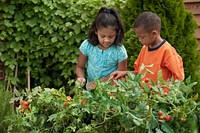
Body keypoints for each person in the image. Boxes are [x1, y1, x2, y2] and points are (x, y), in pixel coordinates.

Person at [111, 11, 184, 82]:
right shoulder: (145, 48)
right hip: (145, 94)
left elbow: (179, 76)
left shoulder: (167, 51)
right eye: (138, 37)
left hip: (161, 94)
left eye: (142, 37)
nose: (139, 40)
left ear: (154, 34)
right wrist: (124, 73)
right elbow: (139, 72)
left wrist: (166, 91)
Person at [76, 7, 128, 86]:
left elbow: (121, 76)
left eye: (111, 37)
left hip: (111, 91)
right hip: (90, 91)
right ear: (96, 31)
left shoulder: (119, 51)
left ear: (117, 33)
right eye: (102, 36)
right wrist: (81, 78)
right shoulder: (87, 46)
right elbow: (80, 67)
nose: (106, 40)